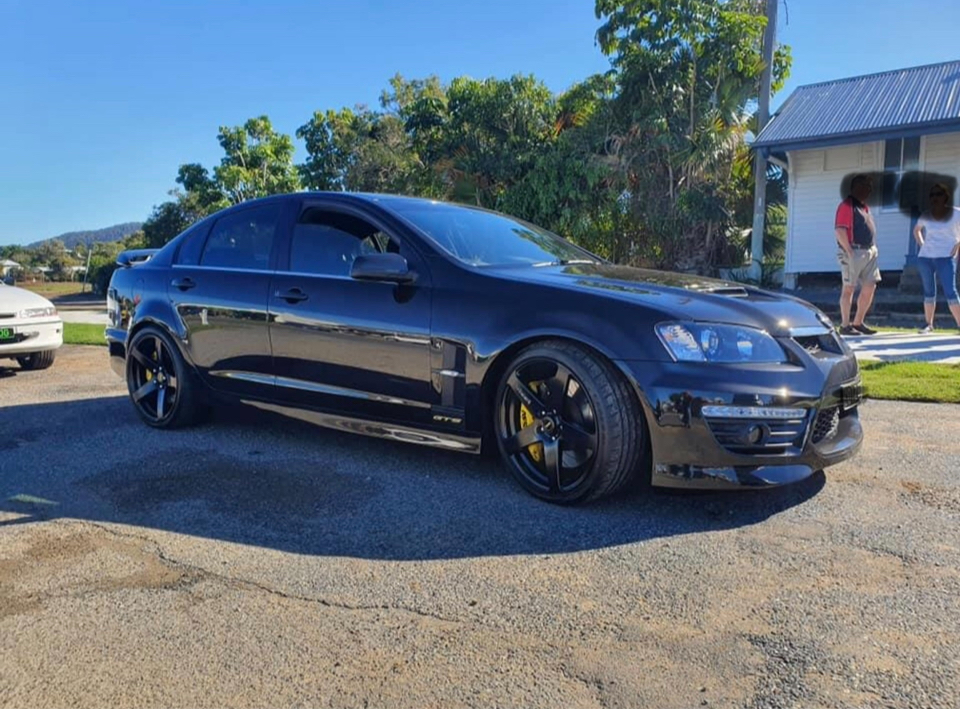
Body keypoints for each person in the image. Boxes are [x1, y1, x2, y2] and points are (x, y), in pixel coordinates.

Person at [834, 174, 880, 336]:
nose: (868, 190)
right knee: (849, 288)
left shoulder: (864, 207)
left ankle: (858, 322)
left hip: (869, 251)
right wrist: (849, 251)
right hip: (853, 251)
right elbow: (840, 230)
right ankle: (845, 325)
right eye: (865, 186)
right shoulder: (847, 206)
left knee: (870, 286)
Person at [912, 182, 960, 333]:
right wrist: (922, 244)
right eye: (932, 195)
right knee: (928, 291)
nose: (935, 198)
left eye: (938, 194)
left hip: (946, 257)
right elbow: (917, 230)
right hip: (926, 257)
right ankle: (928, 324)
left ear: (946, 197)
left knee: (950, 291)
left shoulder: (956, 213)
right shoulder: (926, 214)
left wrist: (958, 244)